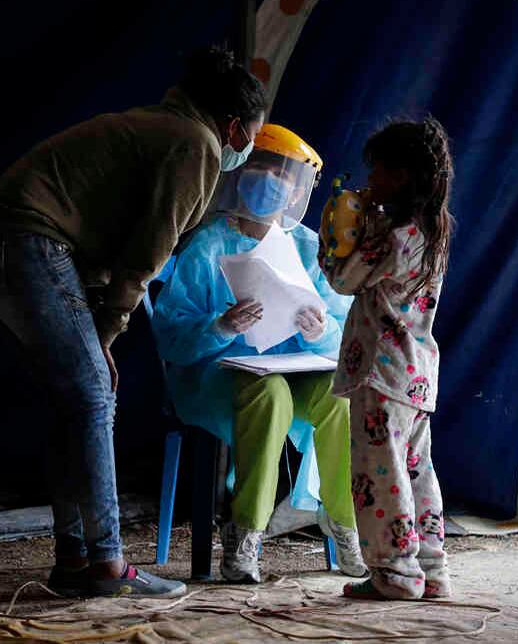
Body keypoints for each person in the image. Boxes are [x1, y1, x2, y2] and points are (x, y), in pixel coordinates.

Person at [0, 46, 266, 598]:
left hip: (1, 244)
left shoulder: (166, 126)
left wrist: (97, 339)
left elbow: (114, 247)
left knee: (73, 398)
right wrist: (103, 337)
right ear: (231, 126)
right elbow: (146, 256)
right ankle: (106, 562)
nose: (244, 151)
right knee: (94, 395)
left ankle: (74, 559)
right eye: (249, 137)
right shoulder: (195, 143)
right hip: (24, 241)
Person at [151, 124, 367, 584]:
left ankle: (345, 522)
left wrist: (320, 328)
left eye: (281, 174)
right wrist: (221, 326)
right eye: (260, 168)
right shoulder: (208, 244)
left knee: (339, 396)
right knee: (270, 395)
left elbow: (347, 335)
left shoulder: (309, 248)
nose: (270, 180)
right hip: (216, 376)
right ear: (239, 175)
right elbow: (171, 334)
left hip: (299, 371)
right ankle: (246, 532)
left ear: (297, 191)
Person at [318, 117, 454, 600]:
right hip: (416, 374)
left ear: (399, 175)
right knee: (416, 470)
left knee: (380, 476)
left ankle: (394, 575)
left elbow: (342, 279)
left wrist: (332, 236)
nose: (369, 180)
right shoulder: (430, 229)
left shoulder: (389, 235)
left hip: (381, 371)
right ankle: (431, 569)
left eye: (376, 171)